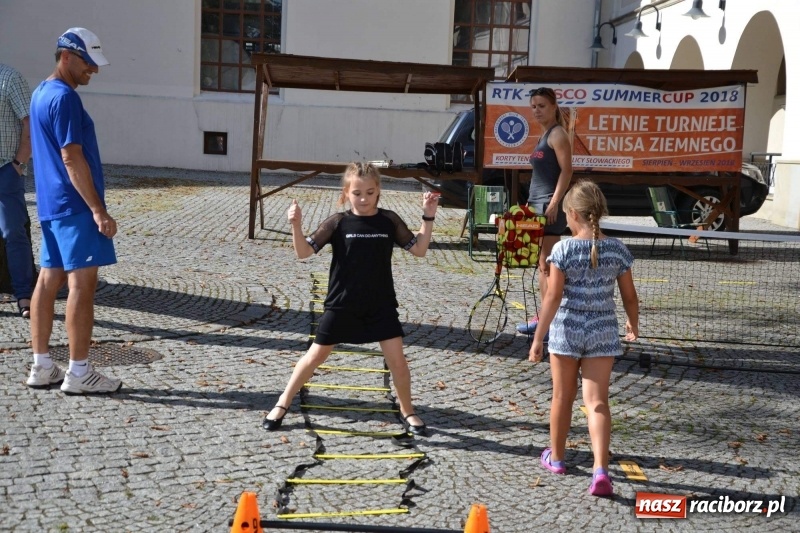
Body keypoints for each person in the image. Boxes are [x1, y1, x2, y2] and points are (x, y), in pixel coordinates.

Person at [263, 161, 438, 435]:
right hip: (342, 303)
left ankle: (408, 411)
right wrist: (295, 224)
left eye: (369, 192)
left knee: (398, 363)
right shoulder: (338, 222)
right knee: (314, 356)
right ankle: (282, 403)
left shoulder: (389, 220)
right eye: (357, 193)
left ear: (378, 191)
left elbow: (419, 249)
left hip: (380, 305)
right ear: (347, 192)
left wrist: (428, 217)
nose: (364, 198)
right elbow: (303, 252)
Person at [26, 28, 122, 394]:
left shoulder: (40, 93)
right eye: (88, 63)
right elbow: (71, 155)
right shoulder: (64, 98)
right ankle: (79, 372)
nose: (93, 71)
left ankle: (41, 366)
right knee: (83, 284)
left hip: (52, 205)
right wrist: (98, 210)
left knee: (48, 281)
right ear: (67, 56)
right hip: (75, 205)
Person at [528, 180, 639, 497]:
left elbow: (552, 297)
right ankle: (601, 469)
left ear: (574, 213)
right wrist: (633, 325)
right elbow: (630, 296)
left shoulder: (562, 250)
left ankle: (558, 458)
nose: (565, 220)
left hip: (567, 329)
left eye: (566, 215)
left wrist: (538, 337)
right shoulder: (618, 249)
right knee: (598, 402)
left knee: (562, 397)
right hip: (603, 330)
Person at [517, 87, 573, 335]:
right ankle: (545, 318)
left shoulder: (558, 134)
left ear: (553, 107)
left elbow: (567, 171)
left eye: (541, 106)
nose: (537, 111)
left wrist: (554, 203)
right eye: (533, 106)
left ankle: (549, 321)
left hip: (549, 206)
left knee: (548, 266)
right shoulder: (545, 135)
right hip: (537, 206)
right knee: (542, 265)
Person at [0, 63, 35, 318]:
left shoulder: (10, 77)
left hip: (5, 169)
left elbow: (30, 122)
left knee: (13, 232)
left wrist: (19, 164)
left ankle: (24, 294)